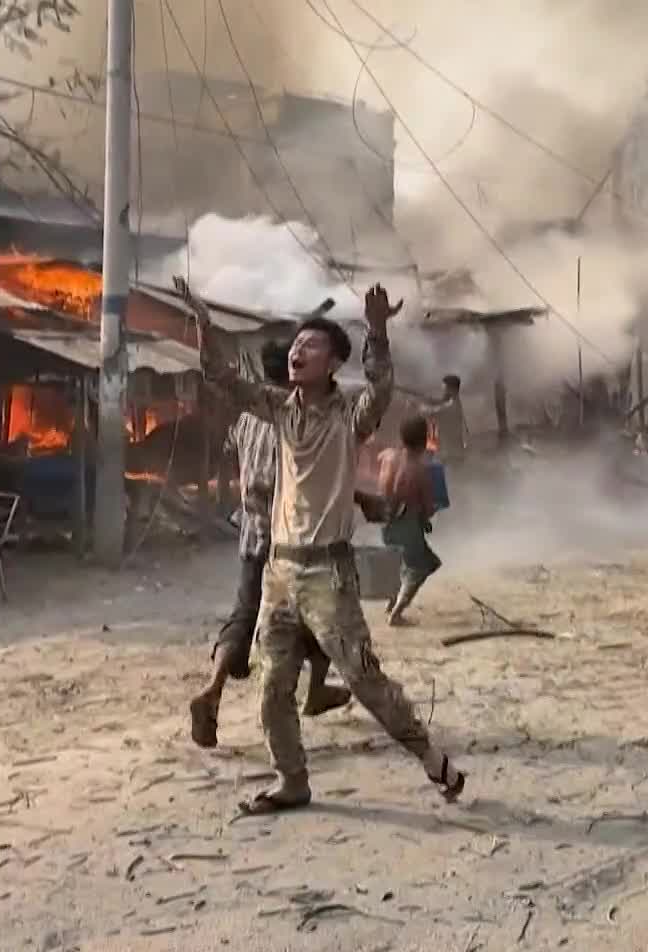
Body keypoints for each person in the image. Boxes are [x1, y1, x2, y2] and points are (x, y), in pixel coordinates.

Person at [190, 283, 467, 816]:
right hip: (279, 570)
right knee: (273, 687)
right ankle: (291, 780)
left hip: (327, 574)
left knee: (364, 680)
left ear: (335, 362)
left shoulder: (348, 417)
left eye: (312, 345)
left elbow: (381, 388)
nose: (298, 351)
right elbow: (223, 379)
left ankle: (432, 759)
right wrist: (204, 324)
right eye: (297, 344)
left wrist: (379, 331)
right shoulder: (278, 409)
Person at [188, 340, 351, 750]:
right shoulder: (294, 418)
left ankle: (213, 689)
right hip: (289, 538)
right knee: (326, 609)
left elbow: (231, 453)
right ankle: (314, 689)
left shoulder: (246, 417)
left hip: (251, 533)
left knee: (242, 617)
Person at [377, 416, 442, 626]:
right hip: (407, 523)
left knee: (400, 563)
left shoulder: (388, 456)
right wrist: (426, 517)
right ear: (424, 440)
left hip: (386, 520)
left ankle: (391, 601)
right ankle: (396, 612)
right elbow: (429, 506)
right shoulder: (421, 470)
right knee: (421, 567)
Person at [420, 375, 467, 465]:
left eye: (444, 388)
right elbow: (440, 403)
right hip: (452, 453)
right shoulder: (454, 402)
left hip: (450, 455)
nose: (443, 391)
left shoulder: (451, 406)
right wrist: (428, 400)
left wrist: (417, 405)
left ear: (451, 389)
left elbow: (429, 412)